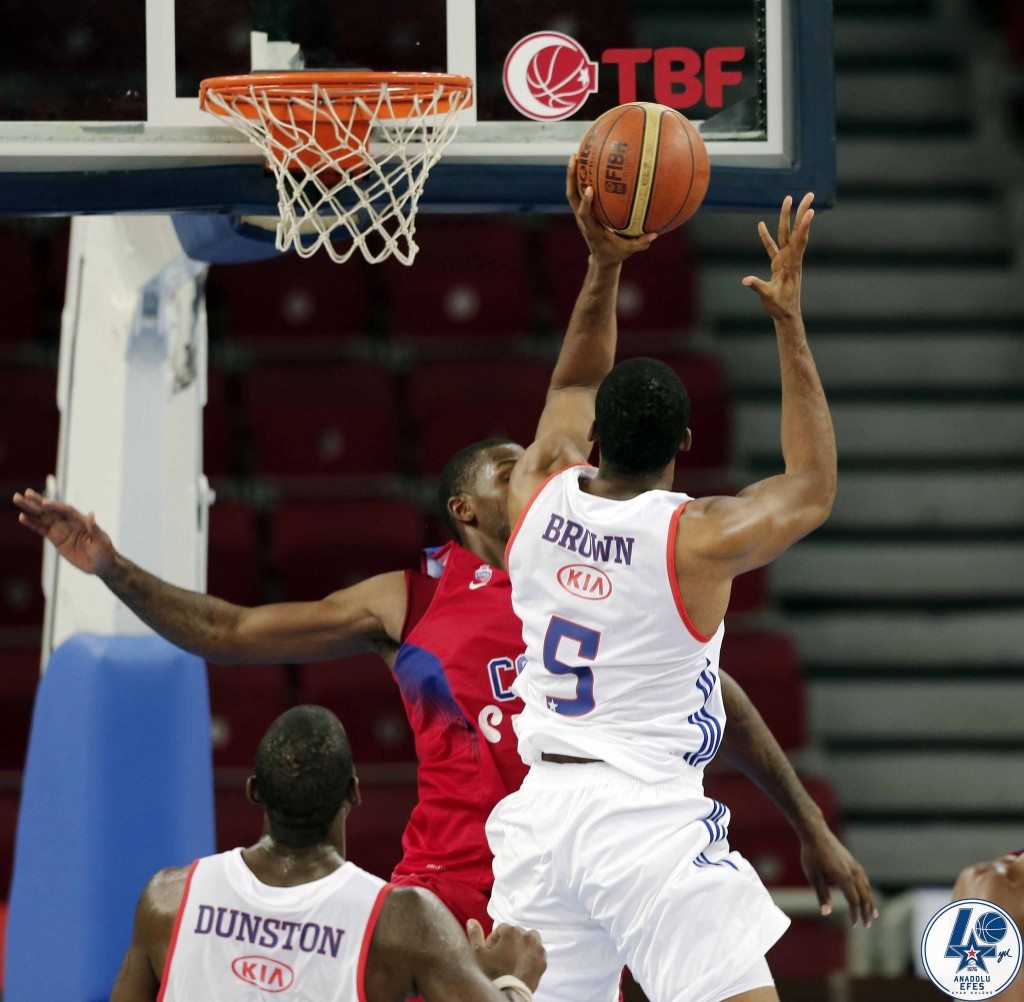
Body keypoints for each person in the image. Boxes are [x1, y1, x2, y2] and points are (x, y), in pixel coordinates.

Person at [13, 175, 871, 939]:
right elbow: (231, 631)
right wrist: (112, 566)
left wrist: (810, 824)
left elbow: (716, 693)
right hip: (453, 891)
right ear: (465, 508)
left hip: (583, 877)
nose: (544, 463)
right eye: (513, 465)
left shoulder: (608, 566)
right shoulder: (411, 601)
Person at [490, 193, 859, 1002]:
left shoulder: (536, 489)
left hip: (541, 818)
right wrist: (789, 322)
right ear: (686, 445)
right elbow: (812, 487)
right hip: (640, 816)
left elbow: (578, 375)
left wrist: (603, 264)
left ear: (594, 438)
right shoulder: (694, 537)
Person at [110, 705, 545, 1001]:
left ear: (254, 792)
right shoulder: (403, 920)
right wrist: (512, 977)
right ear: (354, 792)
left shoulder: (168, 899)